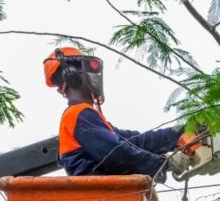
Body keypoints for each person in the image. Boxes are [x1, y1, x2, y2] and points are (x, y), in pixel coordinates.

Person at [43, 47, 191, 182]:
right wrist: (163, 163)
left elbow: (137, 142)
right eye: (88, 70)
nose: (94, 76)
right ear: (71, 76)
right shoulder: (77, 114)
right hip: (99, 198)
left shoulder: (89, 119)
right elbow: (117, 153)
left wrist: (181, 133)